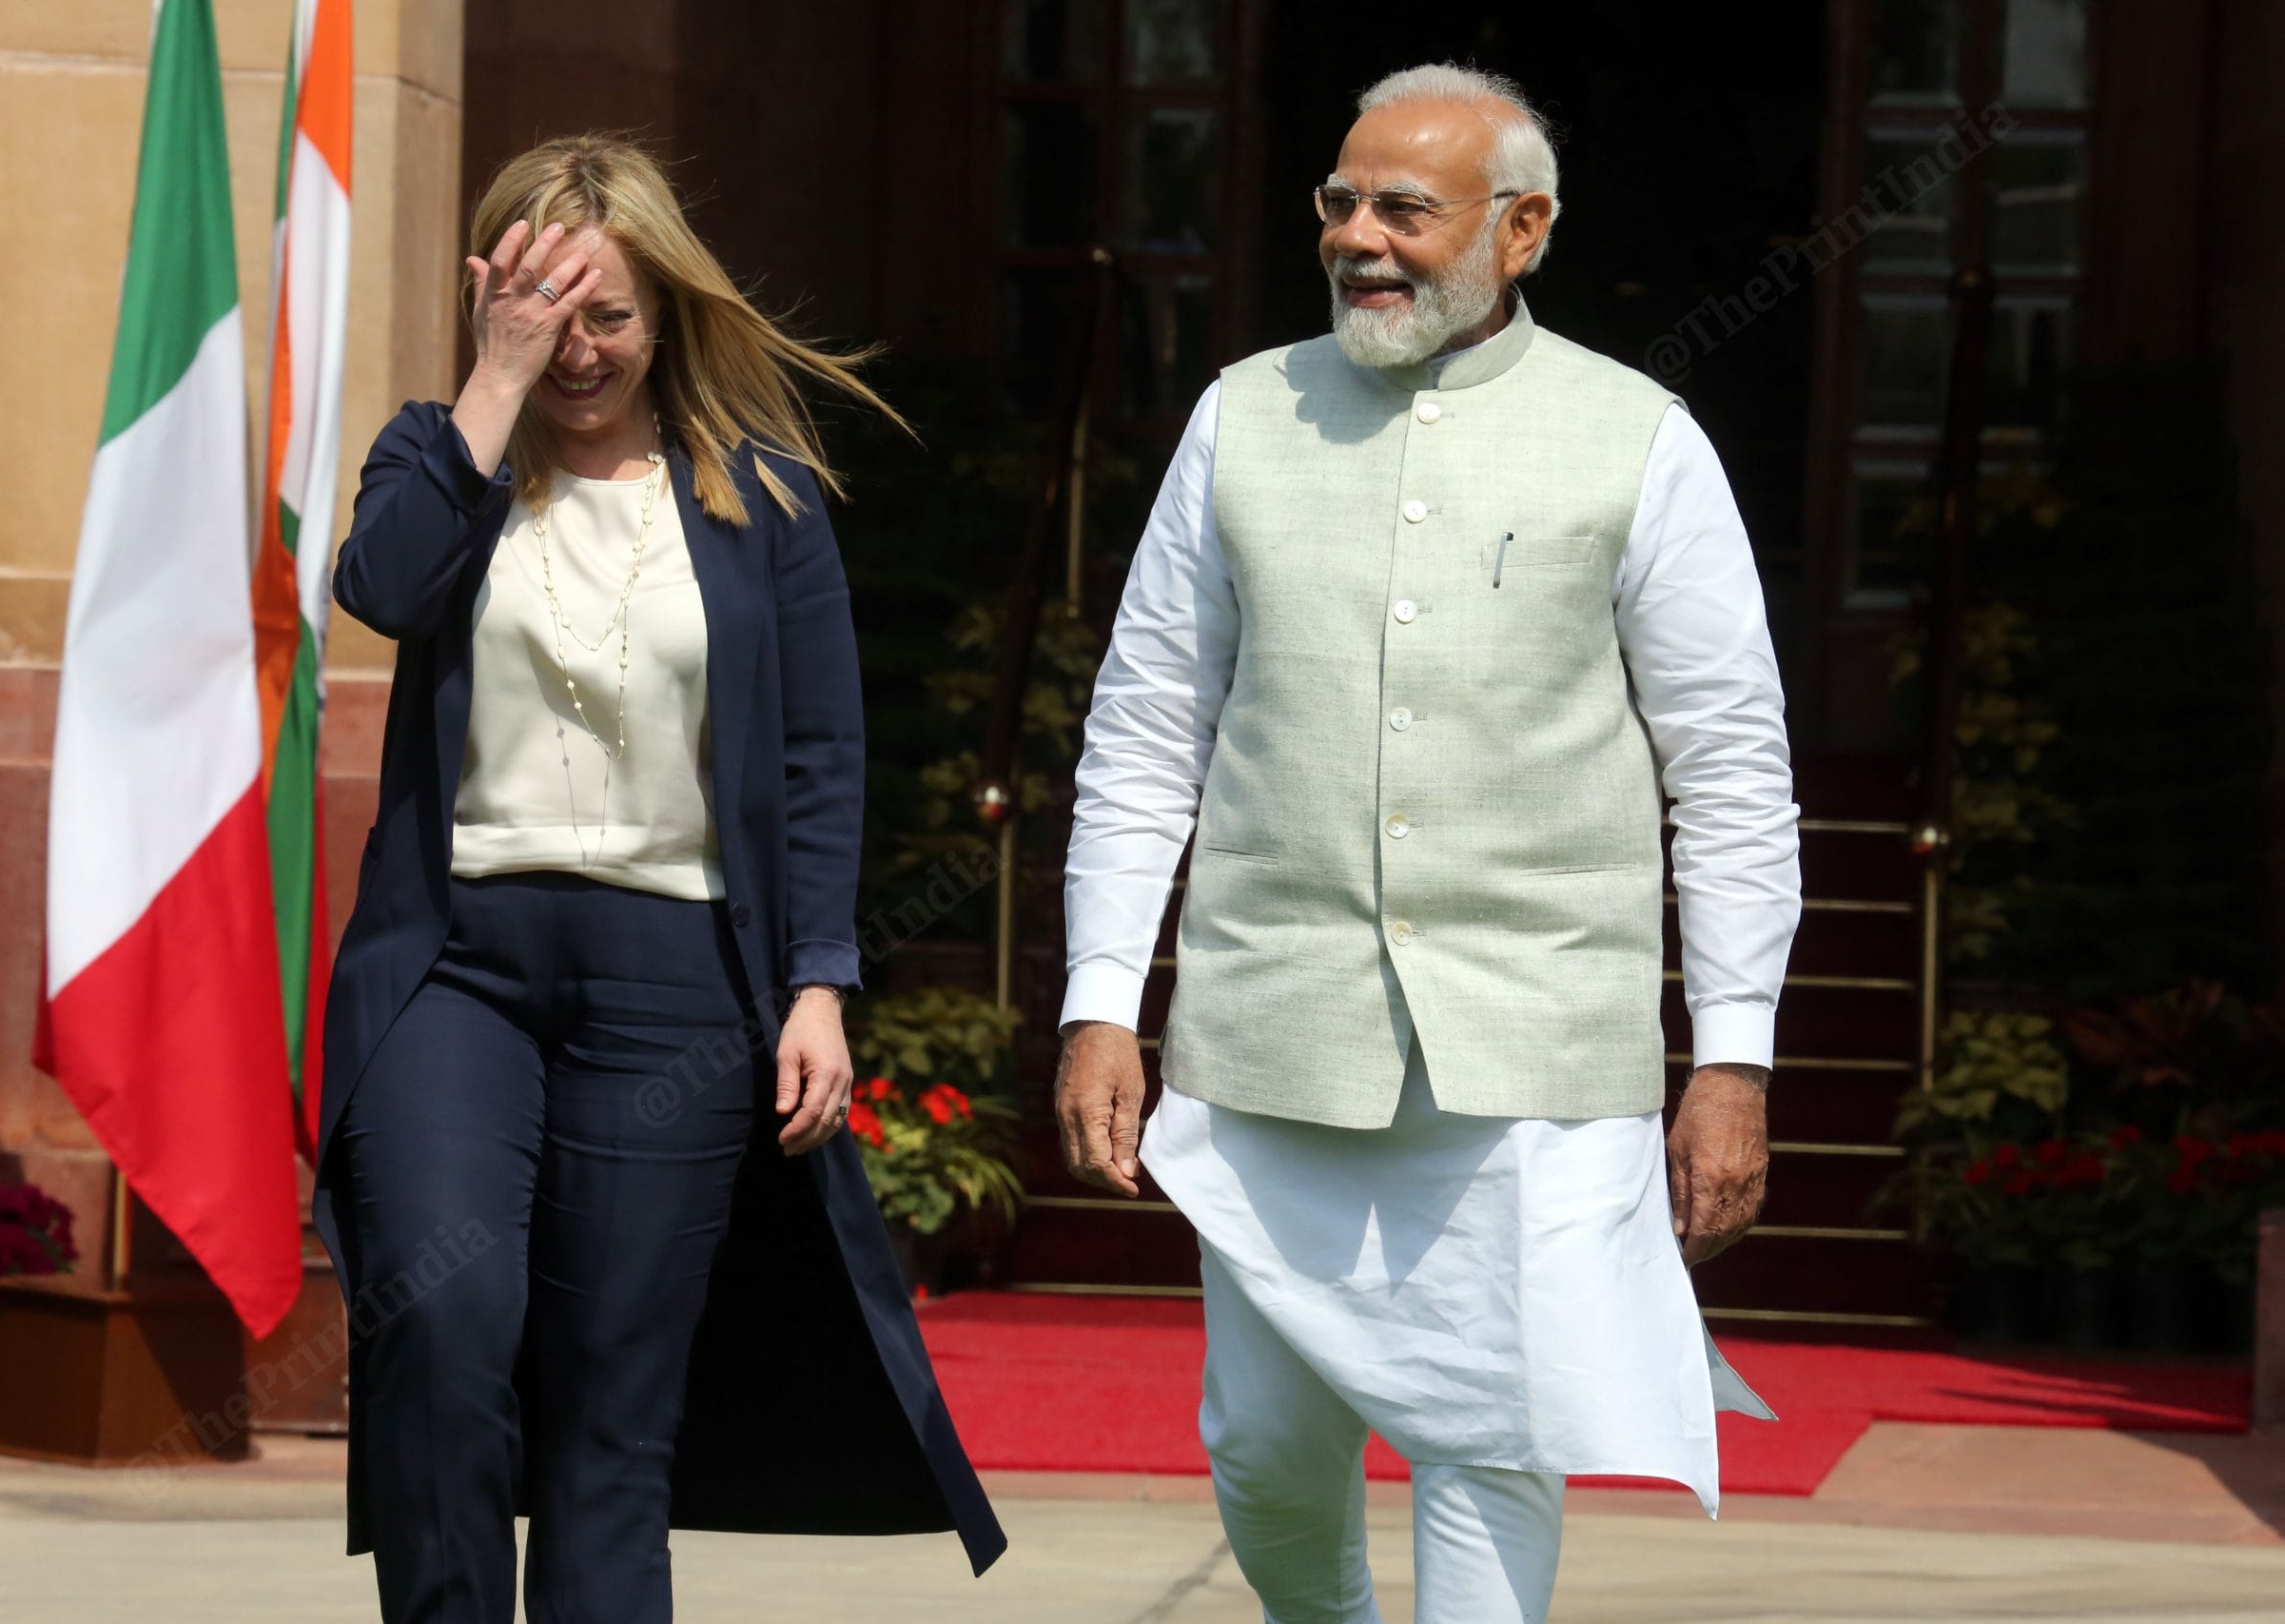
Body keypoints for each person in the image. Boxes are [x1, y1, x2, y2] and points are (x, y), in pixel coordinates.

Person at [1055, 62, 1799, 1623]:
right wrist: (1100, 998)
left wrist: (1732, 1058)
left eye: (1406, 208)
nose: (1359, 238)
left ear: (1522, 229)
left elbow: (1731, 769)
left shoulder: (1639, 435)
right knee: (1264, 1454)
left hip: (1536, 1054)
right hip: (1274, 1033)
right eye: (1340, 202)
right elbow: (1144, 728)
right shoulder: (1241, 415)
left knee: (1492, 1450)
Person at [311, 133, 1005, 1622]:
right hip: (455, 972)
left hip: (676, 989)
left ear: (669, 311)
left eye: (608, 315)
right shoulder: (437, 460)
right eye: (543, 314)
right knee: (440, 1324)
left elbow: (819, 756)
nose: (579, 349)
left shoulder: (763, 500)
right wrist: (489, 385)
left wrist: (818, 983)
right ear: (491, 303)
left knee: (612, 1407)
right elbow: (383, 588)